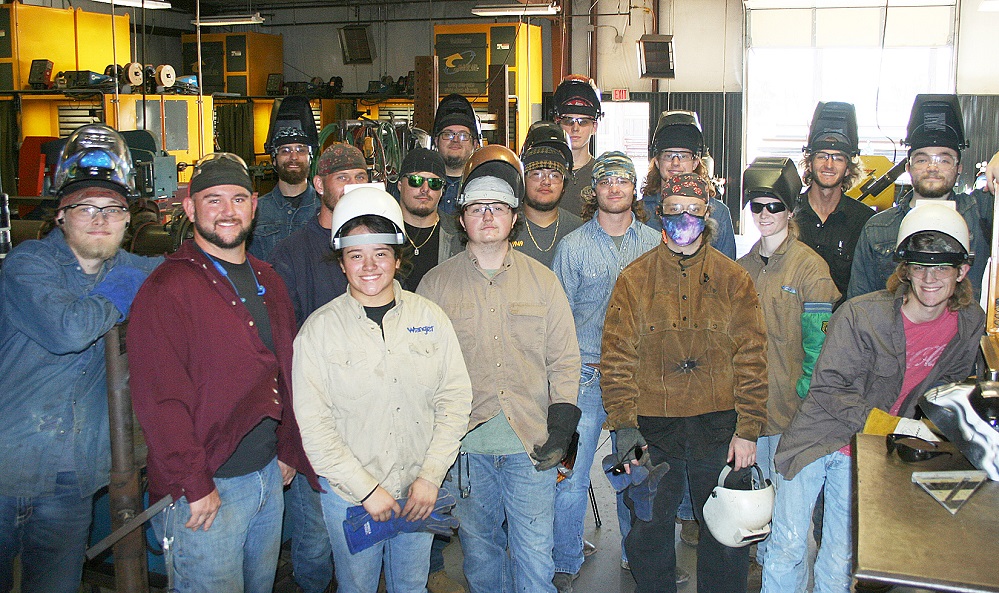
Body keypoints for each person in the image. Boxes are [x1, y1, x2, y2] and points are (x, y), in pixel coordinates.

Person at [764, 203, 985, 593]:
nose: (930, 279)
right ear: (906, 271)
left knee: (842, 555)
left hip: (870, 452)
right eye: (919, 267)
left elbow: (954, 386)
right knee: (788, 546)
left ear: (962, 271)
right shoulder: (861, 316)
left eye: (942, 268)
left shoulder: (969, 323)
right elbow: (829, 391)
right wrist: (899, 424)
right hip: (818, 439)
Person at [129, 153, 318, 593]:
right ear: (191, 209)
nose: (227, 211)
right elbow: (161, 401)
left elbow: (286, 373)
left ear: (254, 205)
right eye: (212, 200)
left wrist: (289, 447)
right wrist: (194, 483)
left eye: (237, 198)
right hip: (209, 489)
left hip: (267, 477)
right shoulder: (167, 289)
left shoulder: (269, 281)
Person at [0, 124, 161, 593]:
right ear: (61, 215)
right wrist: (129, 281)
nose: (99, 219)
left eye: (112, 209)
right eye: (84, 208)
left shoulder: (134, 268)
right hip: (7, 466)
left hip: (71, 479)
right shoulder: (27, 264)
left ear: (129, 218)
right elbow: (68, 330)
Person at [418, 146, 581, 593]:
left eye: (498, 208)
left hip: (531, 443)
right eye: (476, 208)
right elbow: (420, 366)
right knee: (481, 548)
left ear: (514, 218)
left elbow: (565, 359)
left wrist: (564, 419)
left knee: (533, 549)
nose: (487, 216)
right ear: (462, 218)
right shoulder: (435, 286)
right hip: (465, 448)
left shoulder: (543, 282)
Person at [292, 187, 472, 593]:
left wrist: (429, 478)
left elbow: (455, 401)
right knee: (357, 587)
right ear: (341, 262)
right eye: (356, 255)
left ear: (397, 256)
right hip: (352, 499)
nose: (369, 266)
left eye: (380, 253)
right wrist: (366, 490)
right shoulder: (318, 333)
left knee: (410, 585)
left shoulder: (431, 318)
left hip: (417, 492)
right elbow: (315, 430)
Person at [601, 172, 768, 593]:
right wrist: (625, 426)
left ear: (708, 214)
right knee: (649, 528)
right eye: (674, 210)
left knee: (725, 529)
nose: (684, 218)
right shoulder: (634, 280)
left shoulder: (735, 280)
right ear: (661, 215)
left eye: (694, 210)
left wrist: (747, 431)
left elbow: (752, 358)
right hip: (654, 426)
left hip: (719, 425)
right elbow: (617, 358)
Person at [550, 151, 660, 592]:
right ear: (592, 191)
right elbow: (557, 322)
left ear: (634, 190)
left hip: (636, 385)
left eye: (623, 180)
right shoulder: (573, 247)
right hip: (586, 378)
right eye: (605, 181)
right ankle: (565, 559)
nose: (614, 188)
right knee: (571, 477)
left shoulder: (656, 244)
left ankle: (639, 558)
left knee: (632, 473)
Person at [736, 158, 840, 568]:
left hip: (792, 418)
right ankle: (761, 571)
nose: (764, 215)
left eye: (774, 206)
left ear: (790, 210)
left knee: (791, 522)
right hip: (750, 417)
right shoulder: (742, 269)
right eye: (757, 206)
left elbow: (822, 351)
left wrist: (808, 405)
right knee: (756, 510)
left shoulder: (810, 269)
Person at [849, 94, 995, 300]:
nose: (932, 167)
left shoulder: (981, 212)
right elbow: (859, 303)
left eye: (944, 160)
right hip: (894, 332)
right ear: (908, 167)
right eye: (922, 159)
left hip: (966, 332)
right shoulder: (878, 228)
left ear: (959, 168)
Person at [269, 143, 367, 327]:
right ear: (320, 185)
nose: (353, 186)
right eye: (342, 178)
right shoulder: (291, 254)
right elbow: (283, 327)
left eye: (360, 177)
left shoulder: (381, 244)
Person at [794, 102, 874, 301]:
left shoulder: (865, 222)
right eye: (822, 156)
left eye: (838, 158)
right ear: (810, 164)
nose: (829, 165)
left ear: (848, 169)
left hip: (844, 323)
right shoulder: (787, 214)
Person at [641, 110, 737, 260]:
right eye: (668, 155)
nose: (675, 163)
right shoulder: (641, 212)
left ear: (695, 162)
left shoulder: (719, 214)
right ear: (658, 162)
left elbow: (728, 273)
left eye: (683, 156)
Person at [512, 121, 583, 268]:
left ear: (564, 185)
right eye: (537, 174)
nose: (546, 182)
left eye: (554, 175)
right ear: (523, 180)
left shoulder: (580, 230)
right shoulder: (505, 227)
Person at [248, 126, 319, 260]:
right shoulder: (255, 211)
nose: (294, 157)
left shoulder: (325, 210)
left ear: (310, 158)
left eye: (301, 150)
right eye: (285, 151)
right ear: (274, 160)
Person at [396, 147, 460, 291]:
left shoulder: (459, 237)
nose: (425, 189)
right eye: (416, 180)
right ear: (400, 185)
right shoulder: (383, 232)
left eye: (434, 183)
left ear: (442, 190)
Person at [553, 75, 603, 218]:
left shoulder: (602, 175)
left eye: (583, 122)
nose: (575, 128)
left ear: (594, 127)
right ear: (558, 123)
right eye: (569, 121)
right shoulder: (544, 174)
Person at [433, 94, 481, 216]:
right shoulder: (424, 185)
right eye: (448, 134)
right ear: (436, 141)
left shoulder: (483, 185)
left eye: (463, 135)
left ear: (475, 144)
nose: (455, 140)